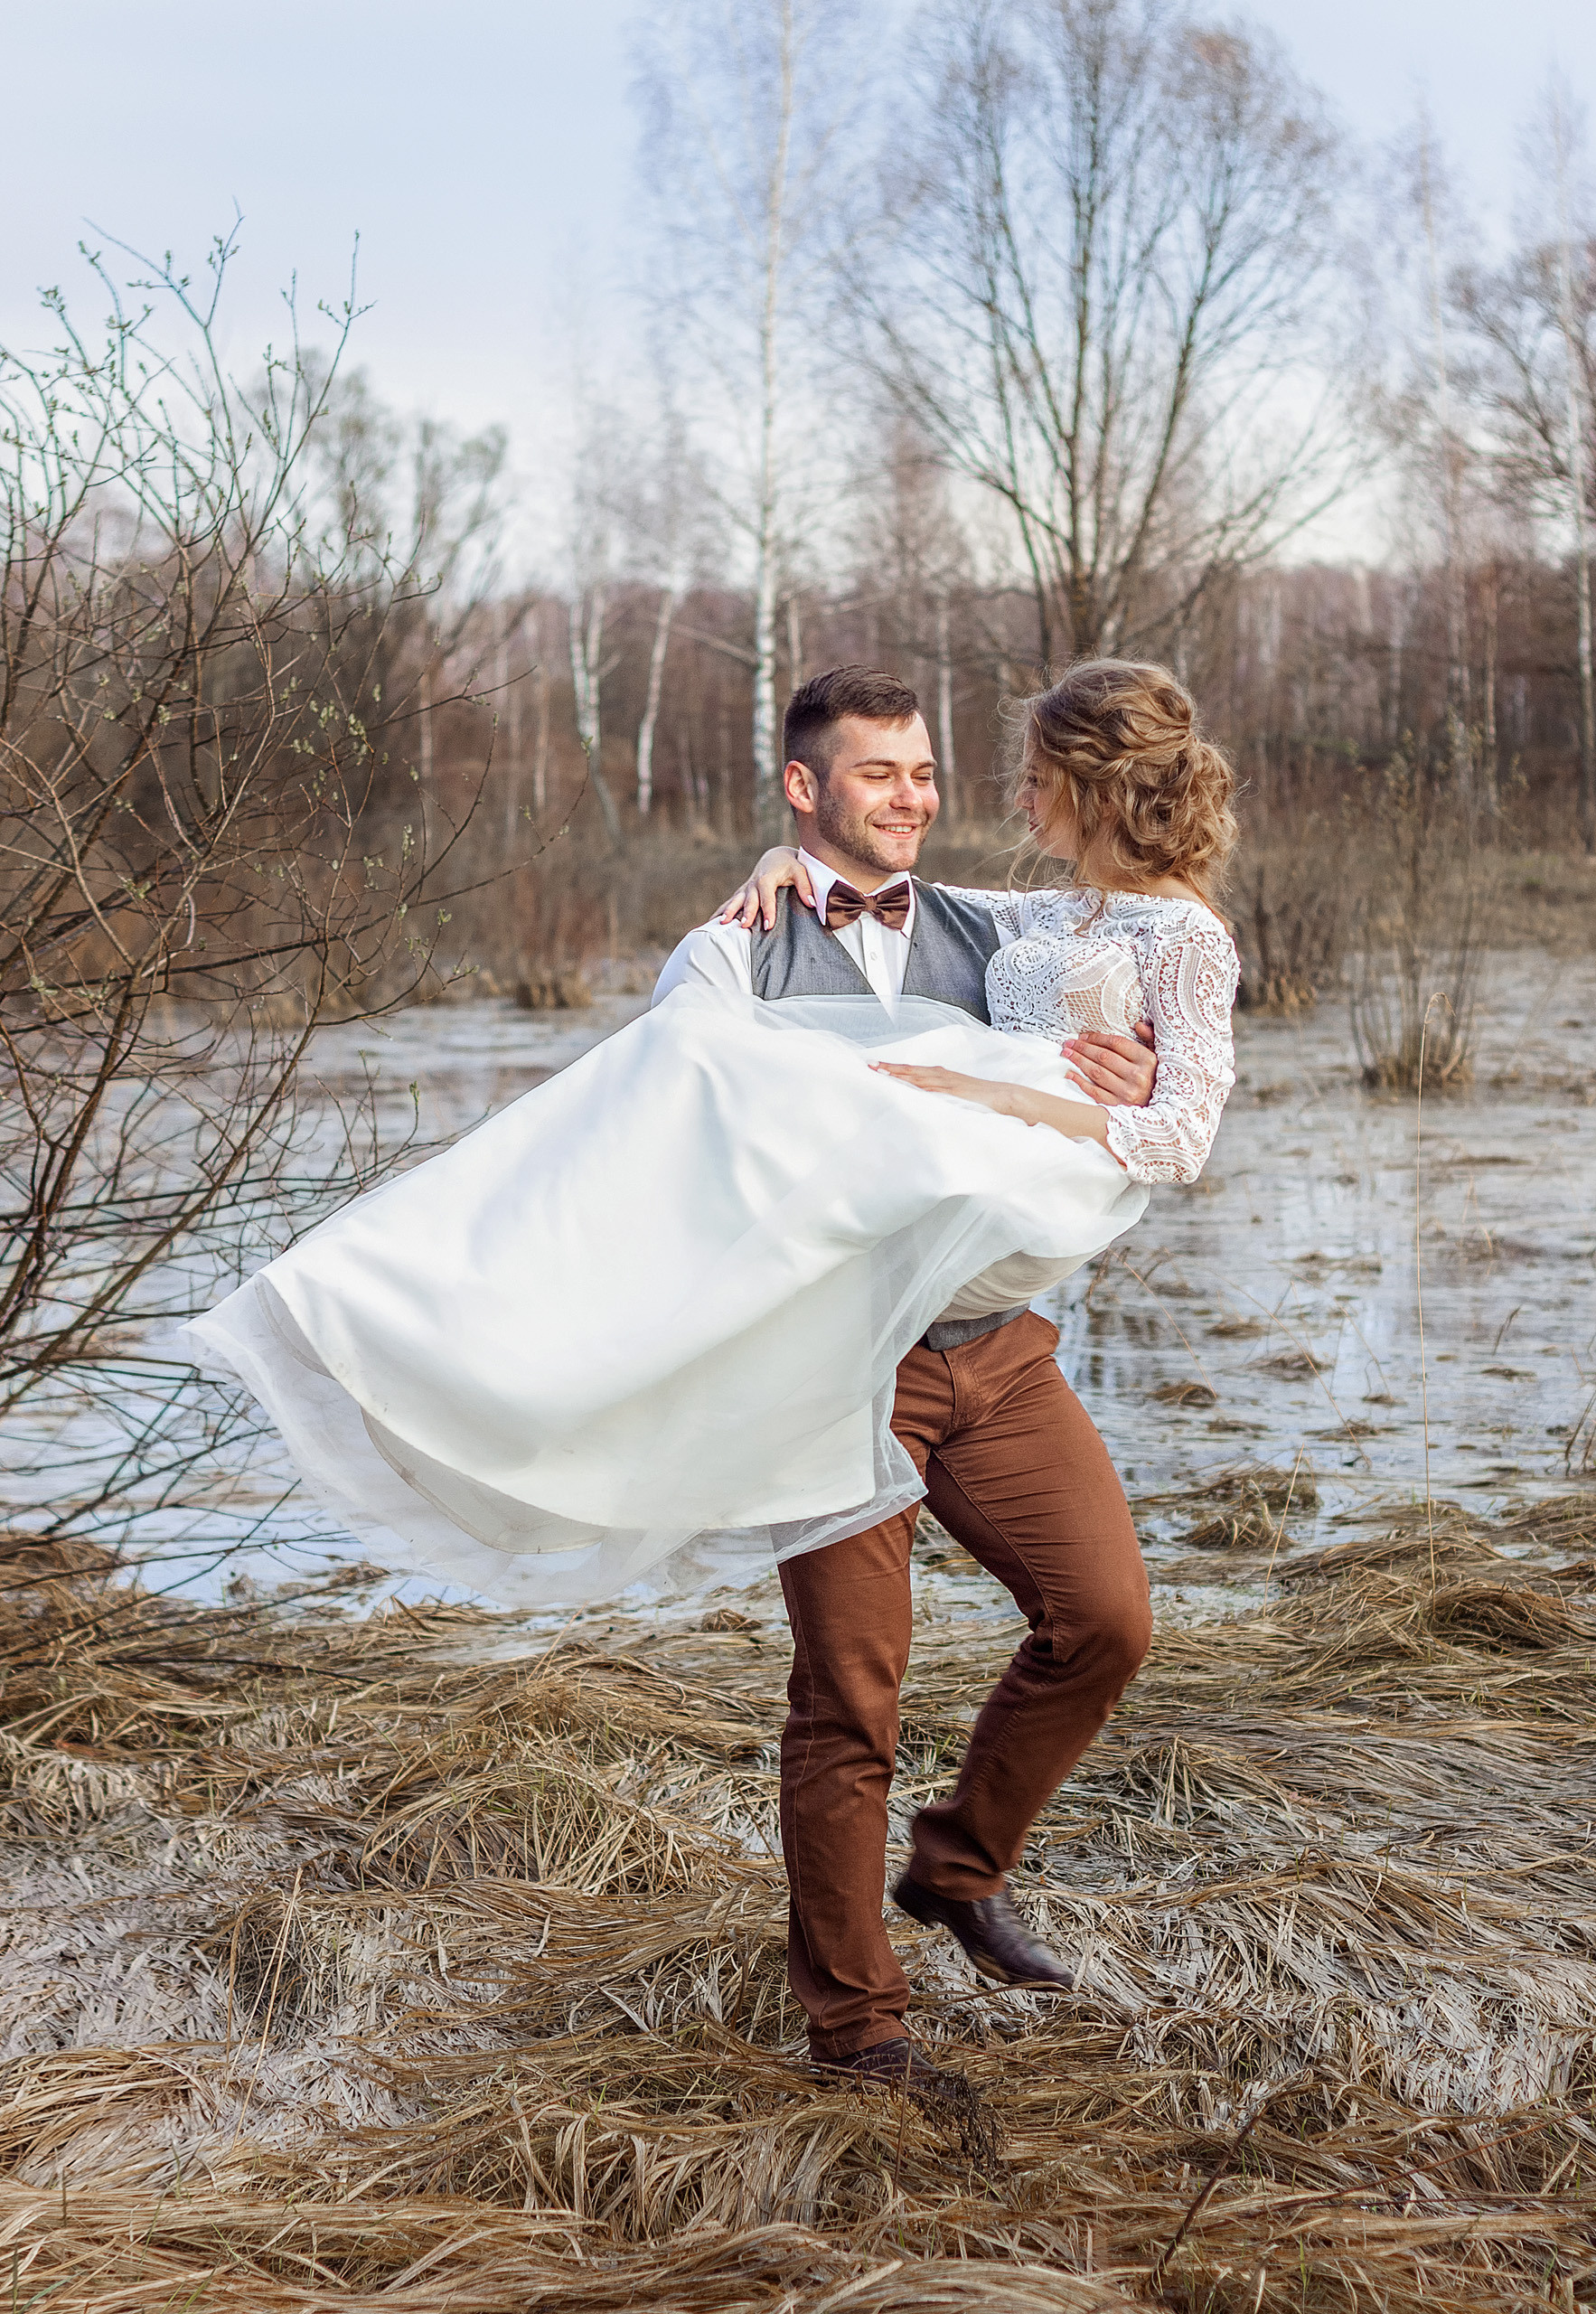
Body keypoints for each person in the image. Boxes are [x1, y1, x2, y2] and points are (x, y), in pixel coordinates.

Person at [653, 659, 1239, 2105]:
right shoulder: (733, 953)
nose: (918, 798)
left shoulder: (992, 924)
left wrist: (1088, 1083)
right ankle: (858, 2035)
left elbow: (1141, 1082)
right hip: (843, 1363)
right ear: (805, 788)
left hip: (996, 1346)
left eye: (926, 772)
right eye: (881, 774)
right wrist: (769, 878)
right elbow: (674, 1120)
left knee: (1105, 1619)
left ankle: (958, 1864)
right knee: (850, 1696)